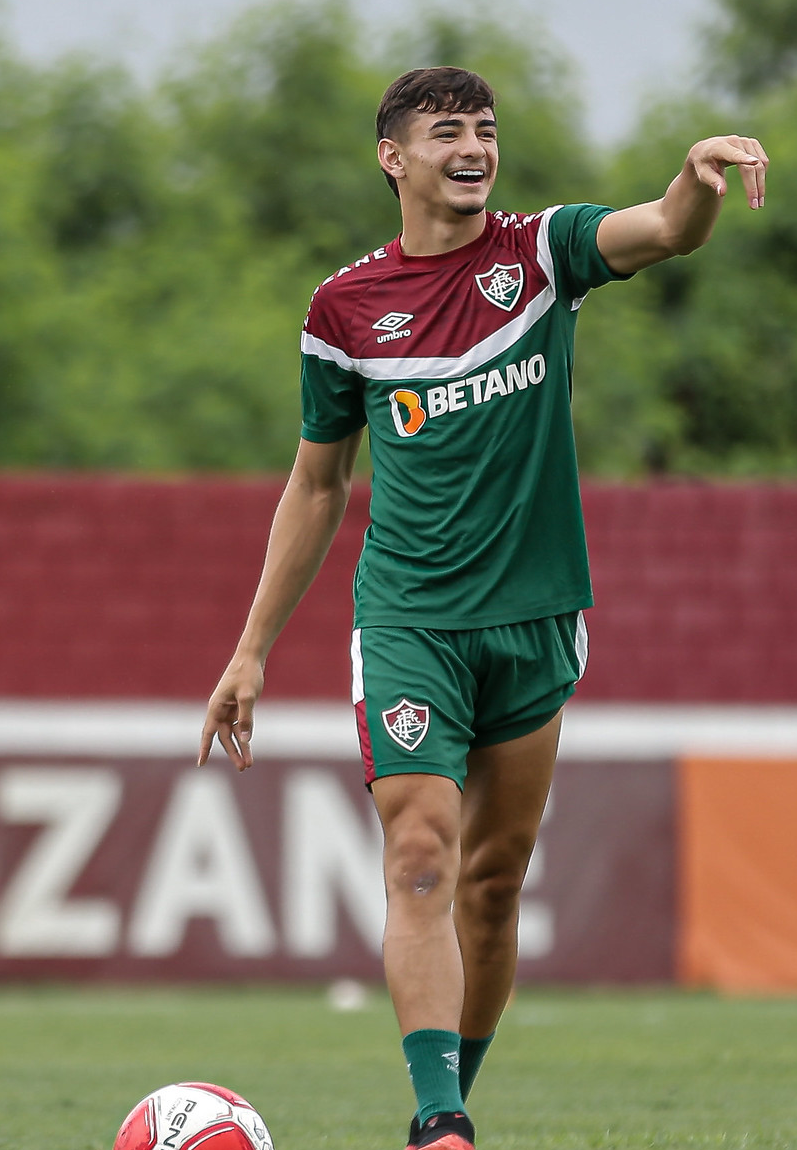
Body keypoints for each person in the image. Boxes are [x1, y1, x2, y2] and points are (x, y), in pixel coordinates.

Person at [195, 65, 767, 1150]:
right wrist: (249, 650)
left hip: (535, 617)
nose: (473, 147)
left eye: (485, 130)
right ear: (392, 157)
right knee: (420, 852)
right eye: (446, 130)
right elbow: (316, 485)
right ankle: (439, 1123)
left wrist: (694, 178)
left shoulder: (540, 254)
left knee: (493, 882)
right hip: (408, 619)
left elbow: (663, 232)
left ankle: (456, 1092)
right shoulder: (342, 309)